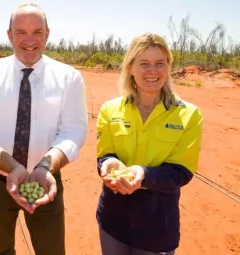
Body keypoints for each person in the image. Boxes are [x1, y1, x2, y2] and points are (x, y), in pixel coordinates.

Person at [0, 3, 88, 255]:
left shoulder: (69, 78)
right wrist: (11, 166)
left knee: (51, 250)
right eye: (21, 32)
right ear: (9, 35)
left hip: (45, 182)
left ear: (48, 34)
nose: (29, 40)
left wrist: (45, 166)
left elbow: (73, 131)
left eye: (37, 32)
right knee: (0, 250)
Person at [95, 32, 203, 255]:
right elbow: (105, 155)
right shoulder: (110, 109)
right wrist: (108, 164)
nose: (152, 71)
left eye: (159, 63)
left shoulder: (189, 115)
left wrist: (142, 174)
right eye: (144, 63)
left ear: (168, 67)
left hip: (157, 225)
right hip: (113, 218)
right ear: (130, 68)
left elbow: (181, 172)